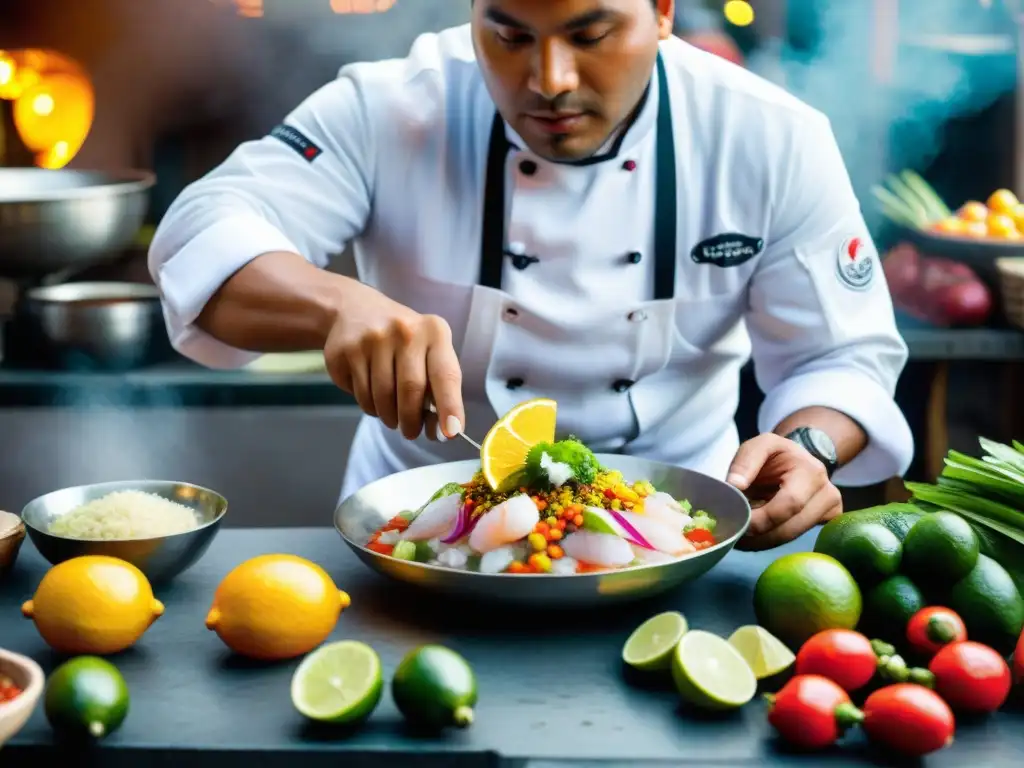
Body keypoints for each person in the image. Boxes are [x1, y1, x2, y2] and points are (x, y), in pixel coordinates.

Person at [149, 0, 914, 551]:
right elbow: (203, 230)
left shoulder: (770, 136)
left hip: (679, 536)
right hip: (421, 538)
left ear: (663, 12)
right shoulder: (389, 105)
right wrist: (333, 303)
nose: (547, 80)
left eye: (590, 33)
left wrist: (809, 444)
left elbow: (841, 356)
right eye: (509, 34)